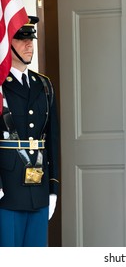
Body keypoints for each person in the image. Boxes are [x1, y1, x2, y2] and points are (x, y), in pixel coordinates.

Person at [0, 16, 60, 247]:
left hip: (39, 187)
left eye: (31, 39)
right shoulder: (1, 85)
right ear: (6, 43)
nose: (29, 45)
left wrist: (53, 188)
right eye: (21, 39)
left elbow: (52, 139)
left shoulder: (43, 85)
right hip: (8, 189)